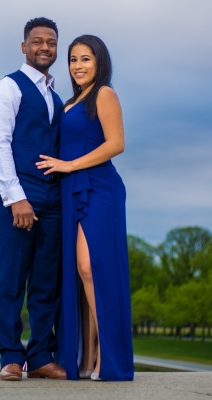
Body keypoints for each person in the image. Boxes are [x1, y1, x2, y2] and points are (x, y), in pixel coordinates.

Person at [36, 35, 134, 381]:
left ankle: (107, 354)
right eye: (73, 59)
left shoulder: (104, 94)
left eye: (85, 59)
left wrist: (70, 165)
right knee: (81, 273)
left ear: (100, 62)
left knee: (91, 268)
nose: (78, 66)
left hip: (99, 187)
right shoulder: (67, 103)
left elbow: (117, 144)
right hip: (71, 189)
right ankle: (88, 355)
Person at [0, 17, 66, 381]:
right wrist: (15, 197)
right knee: (12, 277)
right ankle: (10, 356)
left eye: (50, 42)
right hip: (16, 193)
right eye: (37, 41)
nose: (44, 47)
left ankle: (41, 355)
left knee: (47, 280)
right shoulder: (7, 88)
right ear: (24, 47)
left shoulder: (56, 96)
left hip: (52, 197)